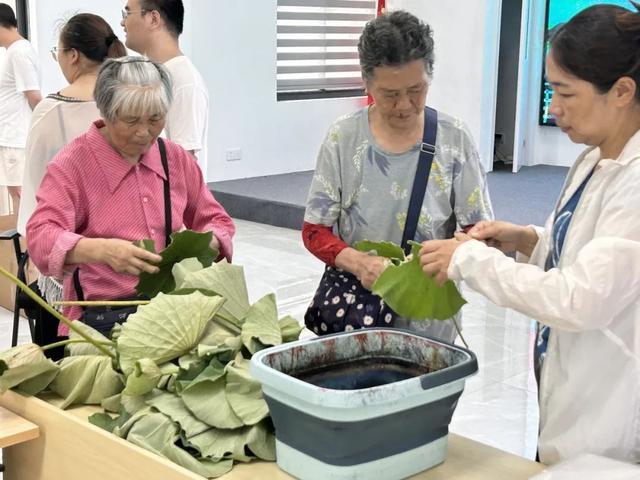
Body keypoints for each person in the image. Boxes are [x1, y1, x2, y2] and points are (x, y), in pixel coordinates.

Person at [419, 4, 640, 465]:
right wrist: (525, 240)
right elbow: (586, 253)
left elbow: (579, 299)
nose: (553, 108)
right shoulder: (594, 158)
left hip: (610, 410)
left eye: (565, 92)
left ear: (621, 91)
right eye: (549, 90)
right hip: (568, 386)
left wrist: (469, 260)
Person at [303, 10, 493, 342]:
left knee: (430, 391)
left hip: (430, 320)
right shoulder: (343, 138)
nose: (404, 105)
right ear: (366, 81)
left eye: (416, 90)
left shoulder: (454, 138)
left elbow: (479, 231)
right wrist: (361, 264)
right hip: (359, 316)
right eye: (390, 94)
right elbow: (315, 231)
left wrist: (449, 250)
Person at [26, 56, 235, 337]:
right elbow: (40, 237)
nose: (144, 132)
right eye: (131, 120)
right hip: (103, 318)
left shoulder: (173, 158)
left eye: (155, 118)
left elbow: (215, 219)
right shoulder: (73, 164)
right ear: (105, 111)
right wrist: (101, 250)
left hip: (171, 311)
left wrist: (209, 241)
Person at [18, 13, 126, 238]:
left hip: (75, 249)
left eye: (57, 53)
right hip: (134, 245)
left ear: (73, 55)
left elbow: (35, 191)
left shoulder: (50, 111)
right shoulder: (134, 101)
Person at [120, 0, 209, 178]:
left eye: (127, 14)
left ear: (153, 18)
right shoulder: (154, 73)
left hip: (168, 203)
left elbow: (184, 165)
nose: (123, 23)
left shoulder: (183, 80)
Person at [0, 3, 41, 213]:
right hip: (11, 136)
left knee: (22, 198)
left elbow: (33, 96)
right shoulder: (13, 51)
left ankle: (30, 245)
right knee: (18, 196)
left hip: (16, 138)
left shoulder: (19, 52)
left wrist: (44, 128)